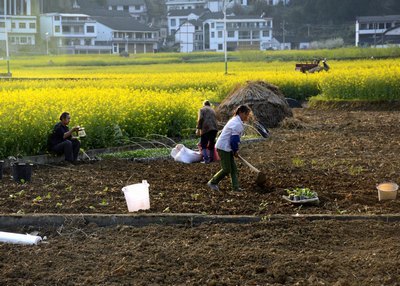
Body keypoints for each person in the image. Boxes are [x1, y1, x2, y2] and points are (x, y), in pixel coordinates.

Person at [207, 105, 251, 192]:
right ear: (241, 113)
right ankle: (212, 182)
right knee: (227, 169)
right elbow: (234, 140)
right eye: (246, 114)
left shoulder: (236, 121)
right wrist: (235, 150)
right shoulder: (236, 123)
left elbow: (234, 140)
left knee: (233, 169)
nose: (247, 117)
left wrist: (234, 150)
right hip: (223, 147)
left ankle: (235, 187)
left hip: (227, 147)